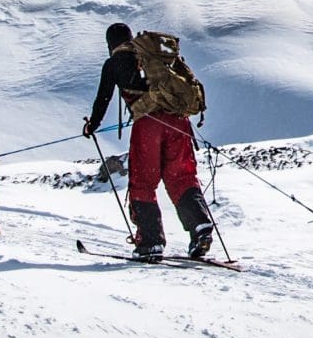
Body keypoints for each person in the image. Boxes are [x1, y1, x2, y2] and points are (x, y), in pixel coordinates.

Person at [82, 20, 217, 260]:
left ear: (110, 44)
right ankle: (200, 228)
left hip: (148, 126)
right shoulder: (155, 57)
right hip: (178, 121)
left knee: (143, 182)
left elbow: (103, 98)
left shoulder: (114, 63)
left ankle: (150, 242)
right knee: (182, 177)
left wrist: (92, 126)